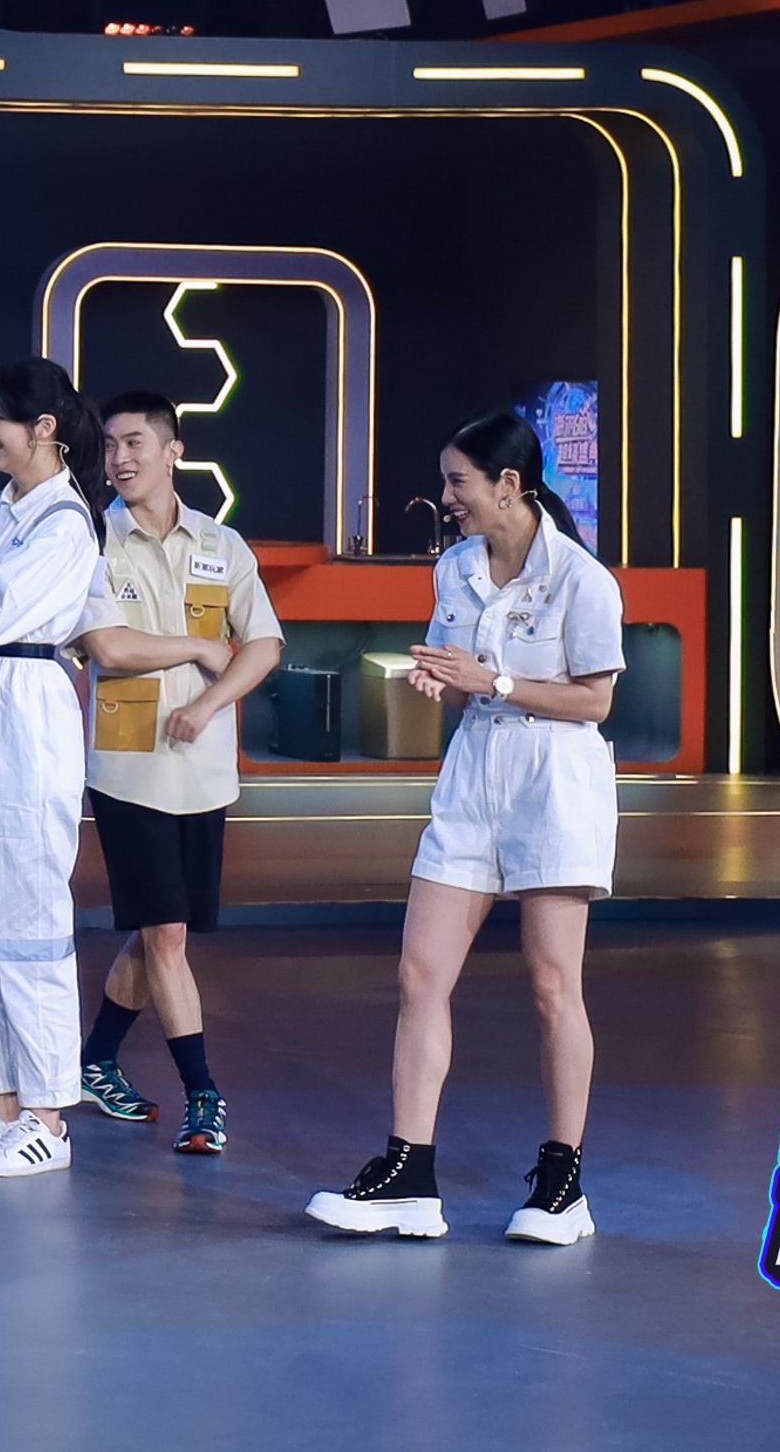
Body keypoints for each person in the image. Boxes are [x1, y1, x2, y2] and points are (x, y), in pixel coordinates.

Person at [0, 359, 221, 1180]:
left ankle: (48, 1115)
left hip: (28, 697)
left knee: (29, 907)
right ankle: (3, 1100)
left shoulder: (66, 521)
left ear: (42, 429)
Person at [309, 407, 625, 1247]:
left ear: (508, 485)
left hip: (553, 782)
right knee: (419, 975)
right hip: (472, 775)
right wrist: (444, 684)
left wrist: (496, 683)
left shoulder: (582, 580)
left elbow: (595, 701)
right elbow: (462, 680)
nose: (447, 497)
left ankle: (562, 1183)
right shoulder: (453, 568)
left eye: (458, 483)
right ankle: (408, 1174)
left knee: (553, 985)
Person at [73, 392, 286, 1157]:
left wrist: (208, 704)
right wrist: (197, 648)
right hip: (127, 767)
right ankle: (203, 1095)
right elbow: (108, 645)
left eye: (133, 442)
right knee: (165, 934)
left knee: (158, 927)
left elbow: (262, 644)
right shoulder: (90, 540)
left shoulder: (221, 544)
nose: (118, 458)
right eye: (109, 445)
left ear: (173, 451)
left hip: (204, 773)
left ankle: (95, 1058)